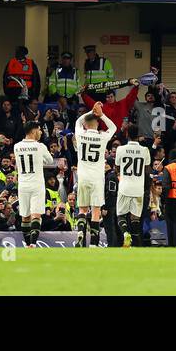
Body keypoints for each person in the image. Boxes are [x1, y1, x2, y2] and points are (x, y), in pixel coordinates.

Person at [74, 101, 117, 247]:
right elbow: (113, 127)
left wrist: (91, 112)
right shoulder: (102, 137)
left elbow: (78, 121)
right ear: (97, 125)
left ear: (85, 125)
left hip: (83, 177)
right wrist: (101, 114)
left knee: (82, 209)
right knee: (95, 211)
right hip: (97, 178)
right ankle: (93, 244)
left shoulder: (80, 134)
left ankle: (80, 233)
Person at [13, 120, 57, 246]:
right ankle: (33, 244)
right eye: (39, 129)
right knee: (36, 216)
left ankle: (27, 244)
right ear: (33, 131)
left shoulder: (17, 146)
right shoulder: (40, 146)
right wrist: (40, 161)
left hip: (23, 185)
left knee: (25, 217)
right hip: (37, 184)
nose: (41, 132)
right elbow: (49, 160)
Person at [114, 133, 151, 248]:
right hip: (138, 188)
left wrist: (119, 175)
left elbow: (117, 166)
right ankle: (135, 244)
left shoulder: (121, 149)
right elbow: (147, 169)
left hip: (125, 186)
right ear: (138, 137)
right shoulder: (144, 150)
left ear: (127, 135)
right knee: (135, 218)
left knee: (120, 215)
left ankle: (125, 233)